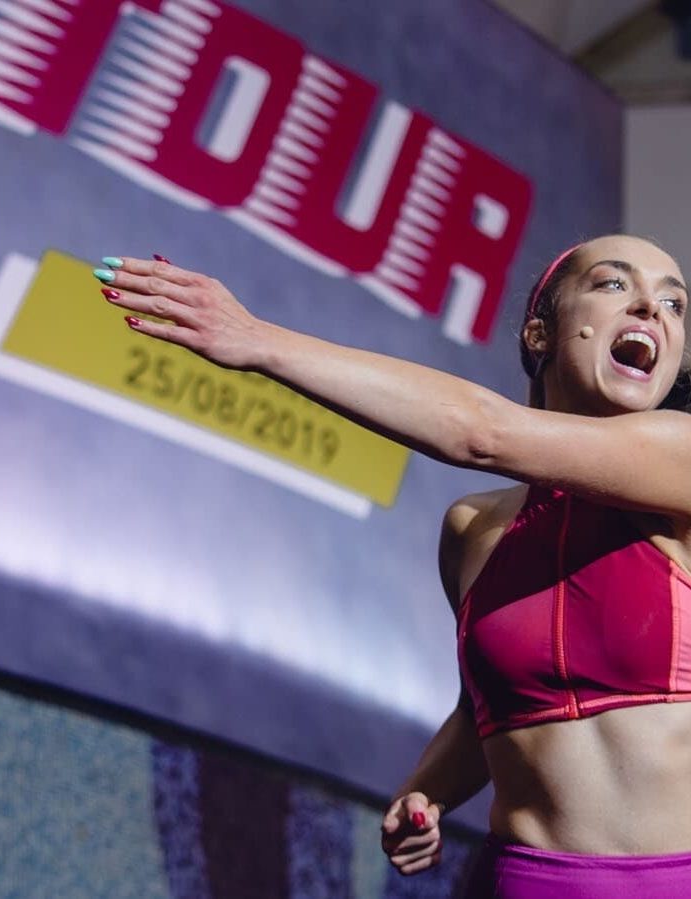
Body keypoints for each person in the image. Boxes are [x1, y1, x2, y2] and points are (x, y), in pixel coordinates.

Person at [94, 235, 691, 897]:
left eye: (675, 303)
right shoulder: (473, 529)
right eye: (613, 283)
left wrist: (257, 340)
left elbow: (482, 431)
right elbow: (482, 710)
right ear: (539, 331)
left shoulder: (682, 458)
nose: (651, 307)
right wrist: (426, 791)